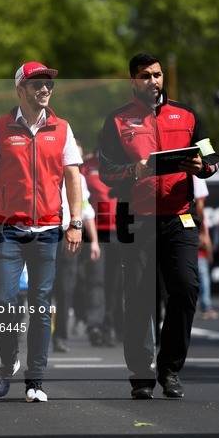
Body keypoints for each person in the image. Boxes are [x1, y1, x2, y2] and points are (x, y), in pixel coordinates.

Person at [99, 52, 219, 400]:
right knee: (139, 299)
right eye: (145, 76)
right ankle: (140, 375)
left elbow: (212, 156)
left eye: (157, 74)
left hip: (179, 217)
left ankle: (170, 369)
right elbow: (106, 173)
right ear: (133, 81)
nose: (153, 81)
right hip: (136, 219)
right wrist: (133, 171)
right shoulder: (117, 120)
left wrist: (203, 166)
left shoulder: (187, 114)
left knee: (185, 289)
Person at [0, 61, 83, 403]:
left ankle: (35, 380)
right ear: (20, 89)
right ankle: (8, 361)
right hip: (8, 229)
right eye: (37, 84)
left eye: (48, 83)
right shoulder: (0, 127)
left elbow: (73, 176)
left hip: (49, 230)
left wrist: (75, 221)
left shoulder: (62, 128)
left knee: (40, 306)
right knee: (4, 301)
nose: (45, 89)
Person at [52, 155, 100, 353]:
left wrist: (94, 241)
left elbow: (86, 210)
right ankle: (38, 334)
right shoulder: (46, 172)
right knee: (41, 290)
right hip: (42, 235)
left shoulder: (79, 179)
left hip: (68, 235)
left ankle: (60, 337)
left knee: (65, 289)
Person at [81, 147, 124, 345]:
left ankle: (110, 327)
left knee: (116, 282)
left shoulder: (128, 165)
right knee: (95, 279)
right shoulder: (87, 168)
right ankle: (94, 326)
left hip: (121, 228)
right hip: (95, 230)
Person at [194, 177, 217, 320]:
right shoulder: (199, 214)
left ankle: (205, 306)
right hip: (195, 248)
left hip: (197, 249)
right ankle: (206, 306)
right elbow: (205, 235)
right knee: (202, 278)